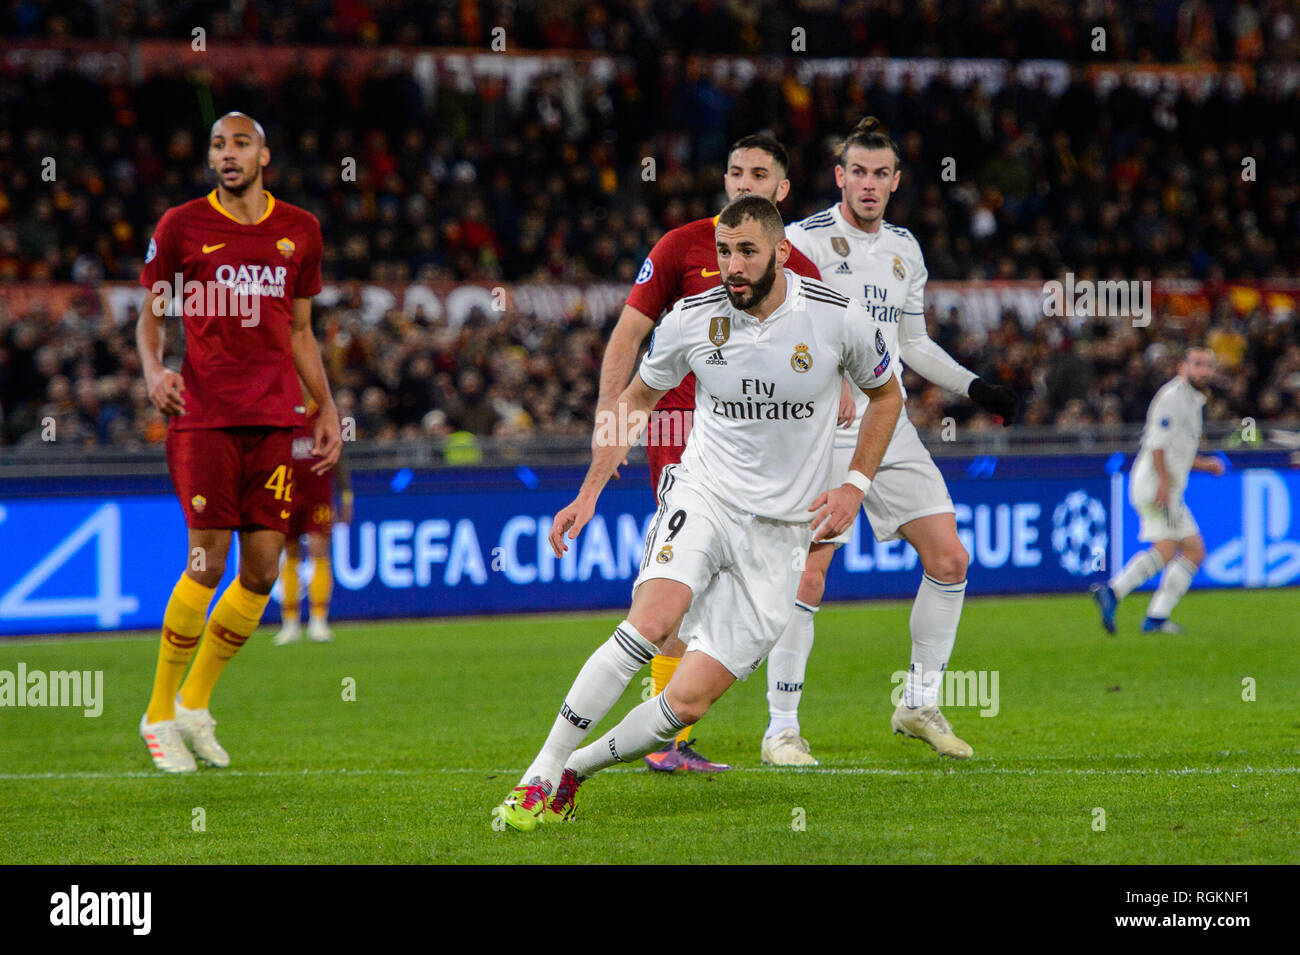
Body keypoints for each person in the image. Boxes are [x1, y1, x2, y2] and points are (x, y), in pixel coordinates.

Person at [494, 195, 903, 831]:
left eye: (747, 252)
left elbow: (887, 395)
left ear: (781, 253)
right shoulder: (690, 319)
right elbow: (636, 399)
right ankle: (538, 776)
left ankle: (576, 768)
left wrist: (854, 483)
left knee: (686, 700)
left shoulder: (836, 318)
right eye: (724, 252)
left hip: (781, 534)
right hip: (705, 494)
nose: (732, 266)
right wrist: (590, 489)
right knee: (652, 622)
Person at [768, 117, 1020, 765]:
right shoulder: (803, 241)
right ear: (839, 177)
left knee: (950, 558)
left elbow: (911, 346)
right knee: (811, 569)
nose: (870, 184)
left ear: (897, 181)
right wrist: (824, 374)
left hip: (889, 421)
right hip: (821, 424)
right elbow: (778, 327)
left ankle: (917, 701)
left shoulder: (906, 250)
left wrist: (975, 387)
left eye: (882, 174)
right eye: (859, 172)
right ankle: (782, 729)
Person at [594, 134, 829, 774]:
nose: (744, 182)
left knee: (718, 594)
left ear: (782, 191)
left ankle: (668, 728)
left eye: (759, 174)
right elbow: (629, 334)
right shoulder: (681, 246)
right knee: (678, 587)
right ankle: (661, 740)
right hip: (682, 438)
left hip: (753, 454)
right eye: (734, 171)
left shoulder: (793, 263)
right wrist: (608, 420)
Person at [136, 112, 341, 772]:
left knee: (258, 569)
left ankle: (196, 701)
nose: (227, 154)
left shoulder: (300, 230)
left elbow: (302, 331)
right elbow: (151, 313)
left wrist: (326, 405)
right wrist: (152, 370)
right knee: (206, 561)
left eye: (240, 143)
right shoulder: (180, 227)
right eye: (218, 145)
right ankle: (159, 712)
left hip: (276, 417)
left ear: (264, 155)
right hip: (203, 415)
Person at [1091, 346, 1224, 634]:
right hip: (1156, 486)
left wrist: (1207, 465)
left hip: (1166, 486)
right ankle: (1116, 593)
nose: (1203, 370)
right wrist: (1163, 483)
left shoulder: (1194, 401)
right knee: (1168, 549)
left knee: (1192, 550)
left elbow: (1179, 454)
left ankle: (1152, 615)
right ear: (1182, 367)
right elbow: (1157, 444)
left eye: (1207, 365)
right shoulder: (1172, 397)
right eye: (1197, 364)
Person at [274, 376, 352, 645]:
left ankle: (319, 620)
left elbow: (339, 456)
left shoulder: (326, 413)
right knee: (290, 553)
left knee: (319, 552)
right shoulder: (281, 411)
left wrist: (346, 494)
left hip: (318, 496)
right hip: (286, 495)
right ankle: (290, 622)